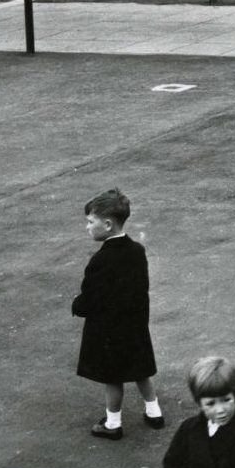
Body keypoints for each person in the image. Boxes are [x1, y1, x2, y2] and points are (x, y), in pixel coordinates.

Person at [71, 187, 163, 440]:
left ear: (108, 224)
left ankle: (113, 423)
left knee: (112, 378)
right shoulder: (137, 251)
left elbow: (91, 299)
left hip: (108, 331)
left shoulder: (100, 260)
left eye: (91, 222)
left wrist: (76, 305)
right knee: (140, 370)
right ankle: (154, 412)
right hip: (134, 326)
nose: (87, 227)